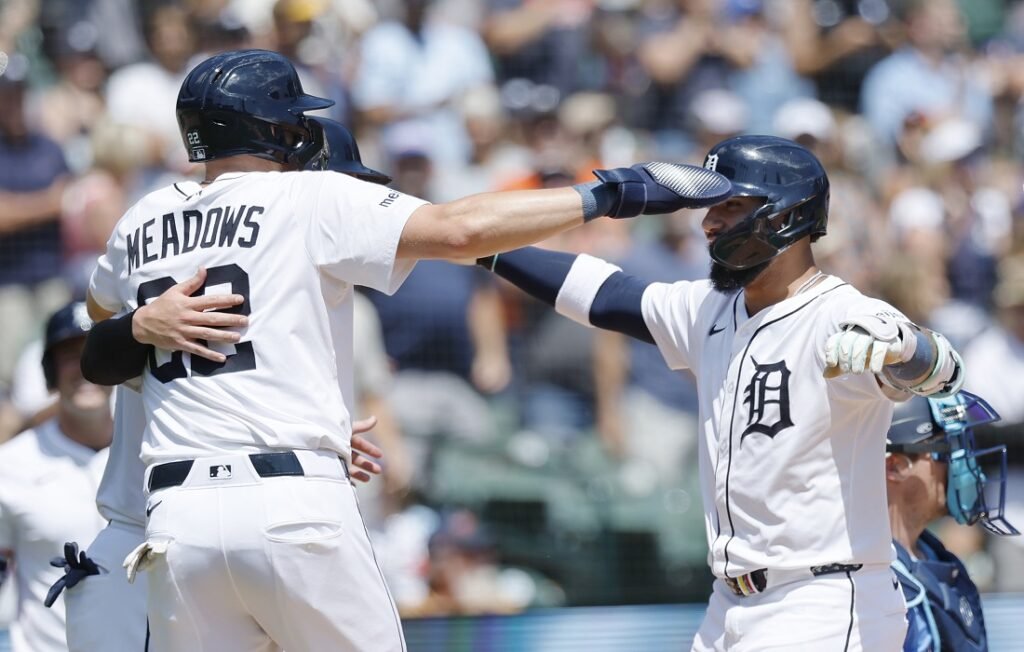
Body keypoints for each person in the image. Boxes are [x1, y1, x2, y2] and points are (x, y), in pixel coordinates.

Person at [81, 49, 728, 652]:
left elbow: (101, 326)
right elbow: (460, 229)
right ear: (265, 128)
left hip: (177, 524)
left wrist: (149, 325)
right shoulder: (308, 193)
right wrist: (608, 194)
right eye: (288, 121)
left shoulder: (142, 219)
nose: (297, 132)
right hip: (290, 507)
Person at [472, 134, 967, 650]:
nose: (709, 223)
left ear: (786, 215)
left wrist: (904, 346)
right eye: (710, 206)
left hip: (820, 602)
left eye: (730, 206)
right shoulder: (708, 309)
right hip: (729, 606)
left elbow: (942, 371)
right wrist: (478, 245)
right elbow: (606, 293)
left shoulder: (843, 314)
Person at [53, 117, 410, 652]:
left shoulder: (221, 291)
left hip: (179, 548)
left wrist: (319, 435)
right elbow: (96, 347)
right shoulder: (190, 297)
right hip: (142, 553)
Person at [0, 302, 110, 652]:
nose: (82, 368)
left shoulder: (151, 449)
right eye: (68, 356)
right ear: (49, 372)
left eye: (92, 352)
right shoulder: (11, 465)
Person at [886, 390, 1018, 652]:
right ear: (897, 467)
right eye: (949, 451)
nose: (965, 466)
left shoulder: (943, 561)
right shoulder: (868, 581)